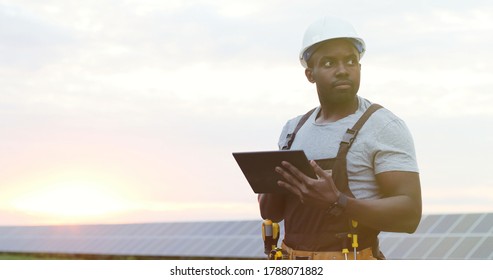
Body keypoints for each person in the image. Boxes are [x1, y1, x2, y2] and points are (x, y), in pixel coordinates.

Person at [258, 16, 422, 260]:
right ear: (310, 74)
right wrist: (267, 185)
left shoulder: (384, 126)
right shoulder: (292, 131)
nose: (343, 70)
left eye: (350, 61)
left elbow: (409, 216)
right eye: (328, 63)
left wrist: (339, 202)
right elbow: (273, 212)